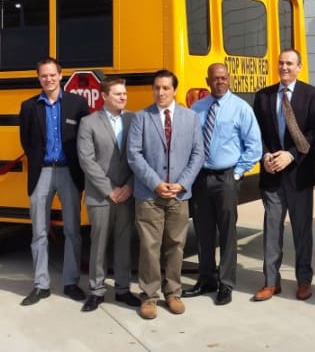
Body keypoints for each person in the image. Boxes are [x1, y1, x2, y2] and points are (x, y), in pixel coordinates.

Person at [127, 69, 204, 320]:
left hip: (179, 196)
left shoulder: (191, 118)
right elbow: (134, 155)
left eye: (165, 88)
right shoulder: (141, 118)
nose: (160, 92)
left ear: (174, 90)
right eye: (157, 88)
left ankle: (173, 293)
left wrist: (182, 183)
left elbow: (198, 154)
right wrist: (155, 183)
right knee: (149, 247)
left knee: (176, 245)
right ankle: (149, 296)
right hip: (149, 195)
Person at [182, 63, 261, 305]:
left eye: (224, 78)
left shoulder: (241, 108)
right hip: (201, 178)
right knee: (203, 230)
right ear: (208, 81)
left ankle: (226, 283)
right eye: (215, 78)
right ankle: (206, 279)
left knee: (227, 232)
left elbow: (254, 146)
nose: (220, 82)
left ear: (229, 79)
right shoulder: (197, 108)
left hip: (226, 177)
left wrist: (237, 174)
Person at [252, 49, 315, 302]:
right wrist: (265, 155)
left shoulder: (312, 94)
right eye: (281, 63)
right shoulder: (263, 96)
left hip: (299, 174)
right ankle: (271, 282)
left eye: (290, 64)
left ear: (299, 67)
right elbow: (256, 133)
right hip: (272, 174)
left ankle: (304, 280)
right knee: (272, 230)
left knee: (302, 231)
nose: (284, 67)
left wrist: (291, 155)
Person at [19, 57, 89, 306]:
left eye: (52, 75)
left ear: (61, 75)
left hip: (69, 172)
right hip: (42, 173)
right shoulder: (29, 107)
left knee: (72, 230)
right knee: (39, 232)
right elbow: (26, 141)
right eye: (43, 75)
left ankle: (71, 282)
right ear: (38, 77)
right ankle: (41, 285)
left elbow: (84, 138)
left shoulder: (77, 104)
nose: (48, 79)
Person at [76, 77, 140, 312]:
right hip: (100, 194)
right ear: (104, 96)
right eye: (118, 93)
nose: (123, 97)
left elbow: (140, 156)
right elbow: (86, 160)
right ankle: (97, 291)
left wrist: (129, 186)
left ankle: (123, 289)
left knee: (124, 242)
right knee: (99, 243)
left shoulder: (134, 119)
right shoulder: (89, 122)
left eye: (124, 93)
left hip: (127, 192)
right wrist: (109, 190)